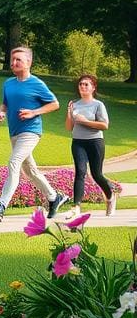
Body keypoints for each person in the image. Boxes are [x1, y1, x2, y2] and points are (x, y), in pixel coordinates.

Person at [0, 46, 66, 221]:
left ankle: (1, 204)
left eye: (18, 60)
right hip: (14, 132)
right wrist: (2, 112)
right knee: (30, 171)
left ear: (28, 62)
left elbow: (55, 104)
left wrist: (34, 112)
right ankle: (54, 197)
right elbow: (5, 103)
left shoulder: (37, 83)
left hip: (31, 131)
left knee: (14, 162)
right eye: (12, 60)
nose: (14, 63)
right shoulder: (8, 83)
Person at [65, 73, 115, 218]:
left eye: (86, 84)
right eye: (81, 84)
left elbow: (104, 125)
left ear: (93, 88)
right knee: (80, 171)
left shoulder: (98, 105)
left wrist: (84, 121)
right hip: (78, 142)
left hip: (95, 142)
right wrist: (69, 113)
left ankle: (110, 196)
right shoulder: (74, 104)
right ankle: (76, 207)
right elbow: (69, 127)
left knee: (96, 174)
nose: (83, 86)